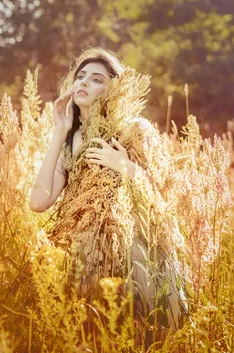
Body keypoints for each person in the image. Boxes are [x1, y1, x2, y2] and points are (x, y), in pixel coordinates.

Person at [29, 47, 189, 346]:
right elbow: (38, 202)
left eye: (97, 79)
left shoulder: (133, 130)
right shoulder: (71, 140)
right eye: (80, 76)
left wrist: (124, 166)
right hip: (84, 253)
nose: (84, 83)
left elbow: (165, 194)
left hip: (132, 251)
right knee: (90, 335)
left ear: (115, 89)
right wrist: (59, 133)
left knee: (138, 333)